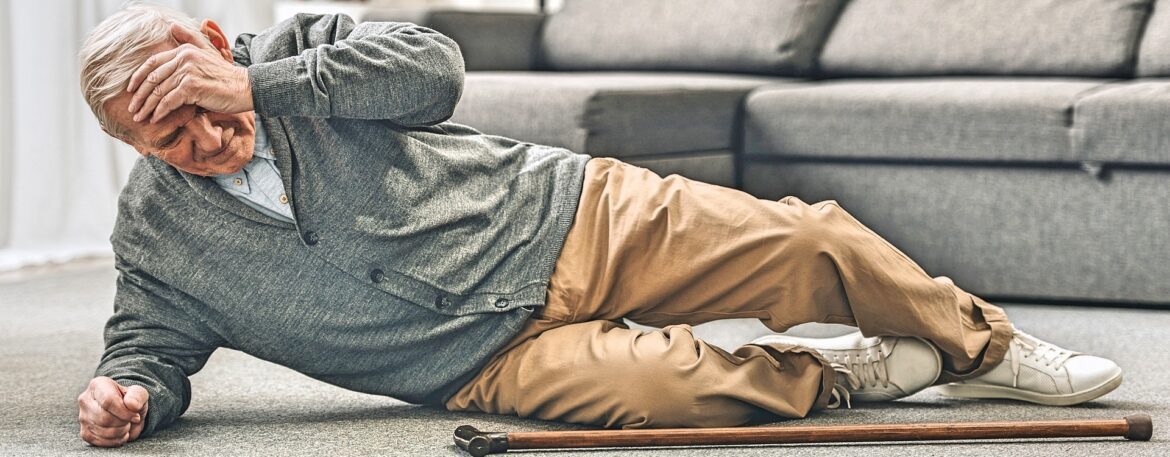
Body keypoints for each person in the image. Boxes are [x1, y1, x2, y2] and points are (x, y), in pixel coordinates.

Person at [75, 4, 1123, 448]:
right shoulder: (161, 237)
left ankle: (984, 346)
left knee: (810, 241)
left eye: (203, 102)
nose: (201, 136)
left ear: (217, 42)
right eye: (162, 134)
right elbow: (150, 340)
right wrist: (135, 393)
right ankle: (846, 373)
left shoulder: (306, 48)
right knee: (682, 393)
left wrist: (258, 82)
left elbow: (432, 72)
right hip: (480, 360)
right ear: (127, 142)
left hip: (570, 215)